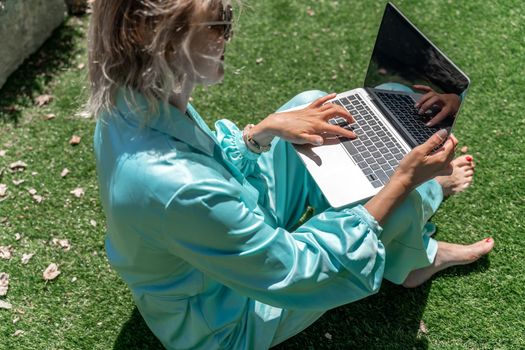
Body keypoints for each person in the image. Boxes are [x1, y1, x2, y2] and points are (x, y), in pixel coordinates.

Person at [88, 1, 494, 349]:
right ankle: (418, 255)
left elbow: (210, 173)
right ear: (159, 41)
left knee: (310, 111)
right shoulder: (178, 187)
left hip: (203, 260)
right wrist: (402, 181)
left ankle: (415, 209)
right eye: (217, 22)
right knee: (391, 191)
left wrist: (260, 134)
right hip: (227, 319)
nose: (228, 32)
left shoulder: (131, 101)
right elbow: (299, 273)